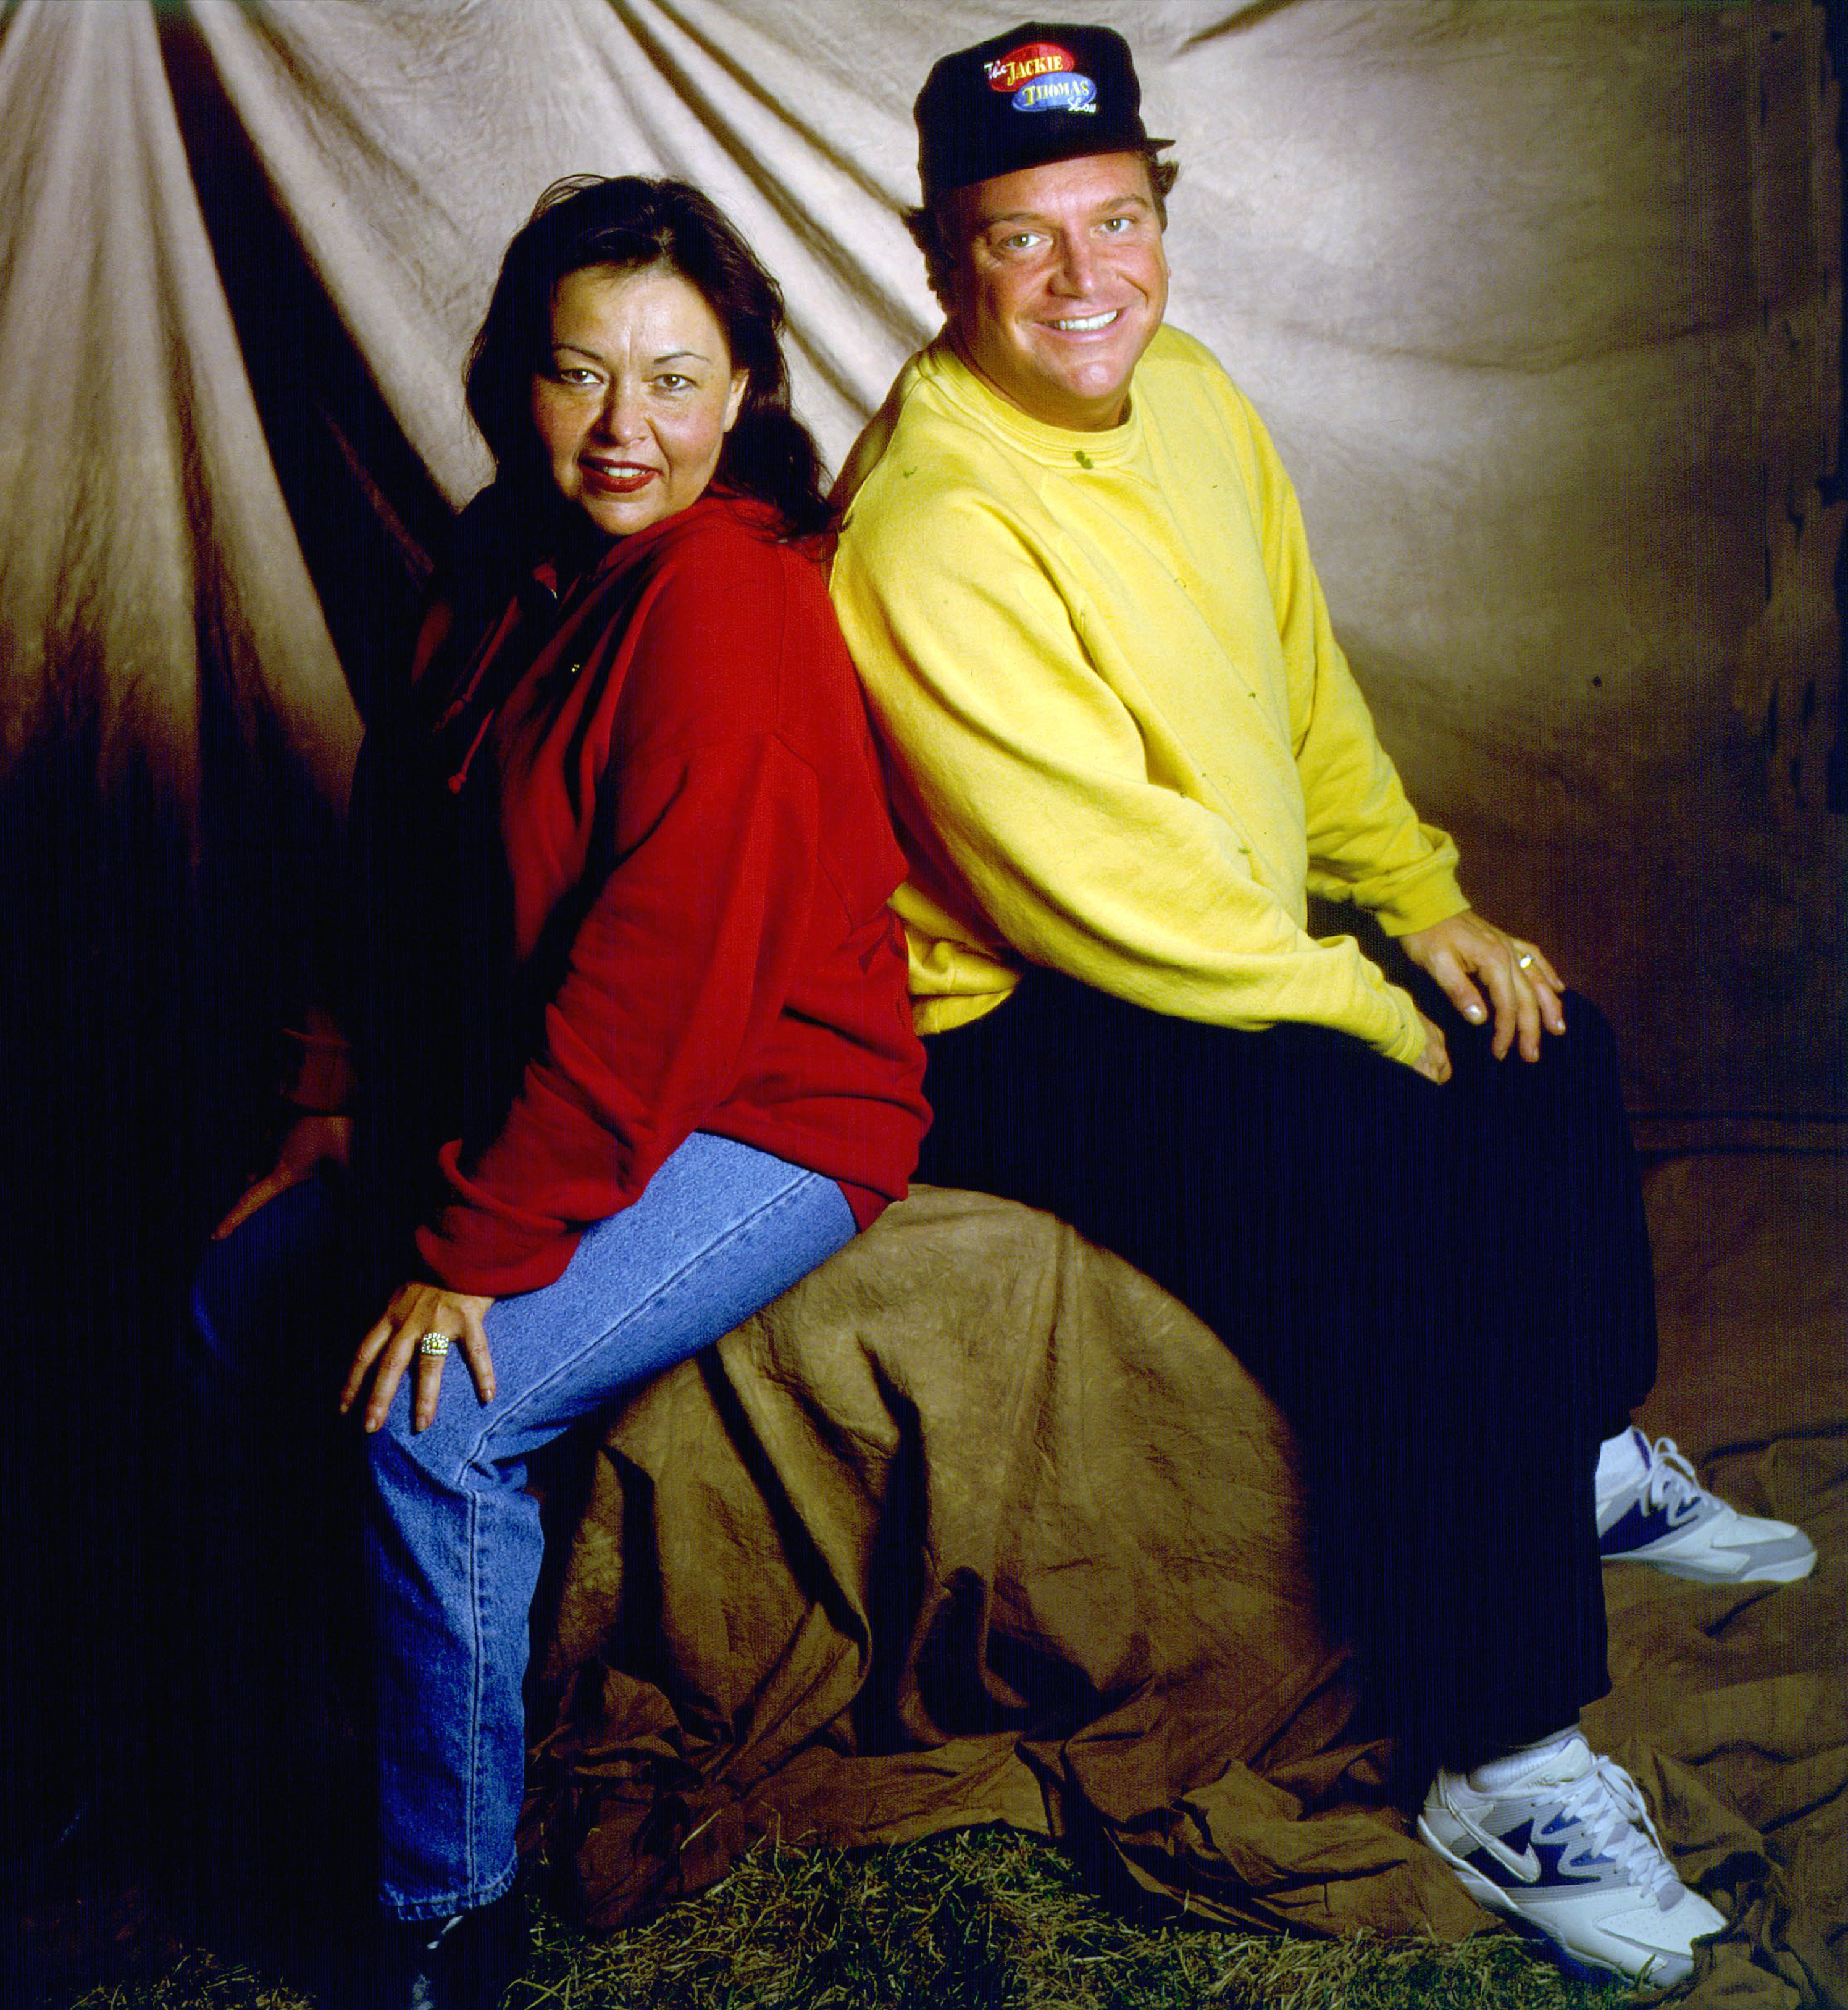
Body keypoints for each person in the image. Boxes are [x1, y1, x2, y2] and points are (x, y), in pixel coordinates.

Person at [828, 23, 1814, 1990]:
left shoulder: (1186, 393)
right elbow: (1092, 894)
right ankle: (1501, 1751)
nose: (1083, 280)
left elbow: (1301, 700)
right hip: (1012, 1010)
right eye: (1021, 243)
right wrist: (1359, 1014)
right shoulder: (927, 524)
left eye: (1115, 222)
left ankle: (1572, 1454)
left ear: (1159, 220)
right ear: (946, 261)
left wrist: (1425, 913)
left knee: (1547, 1030)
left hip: (1212, 934)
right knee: (1394, 1165)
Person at [203, 174, 927, 2005]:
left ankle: (445, 1919)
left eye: (677, 381)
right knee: (239, 1302)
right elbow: (388, 863)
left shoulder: (725, 604)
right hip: (562, 1076)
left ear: (748, 388)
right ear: (512, 382)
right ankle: (328, 1767)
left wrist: (470, 1249)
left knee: (437, 1420)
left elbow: (659, 990)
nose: (626, 430)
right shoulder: (502, 563)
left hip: (763, 1106)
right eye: (578, 374)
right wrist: (326, 1100)